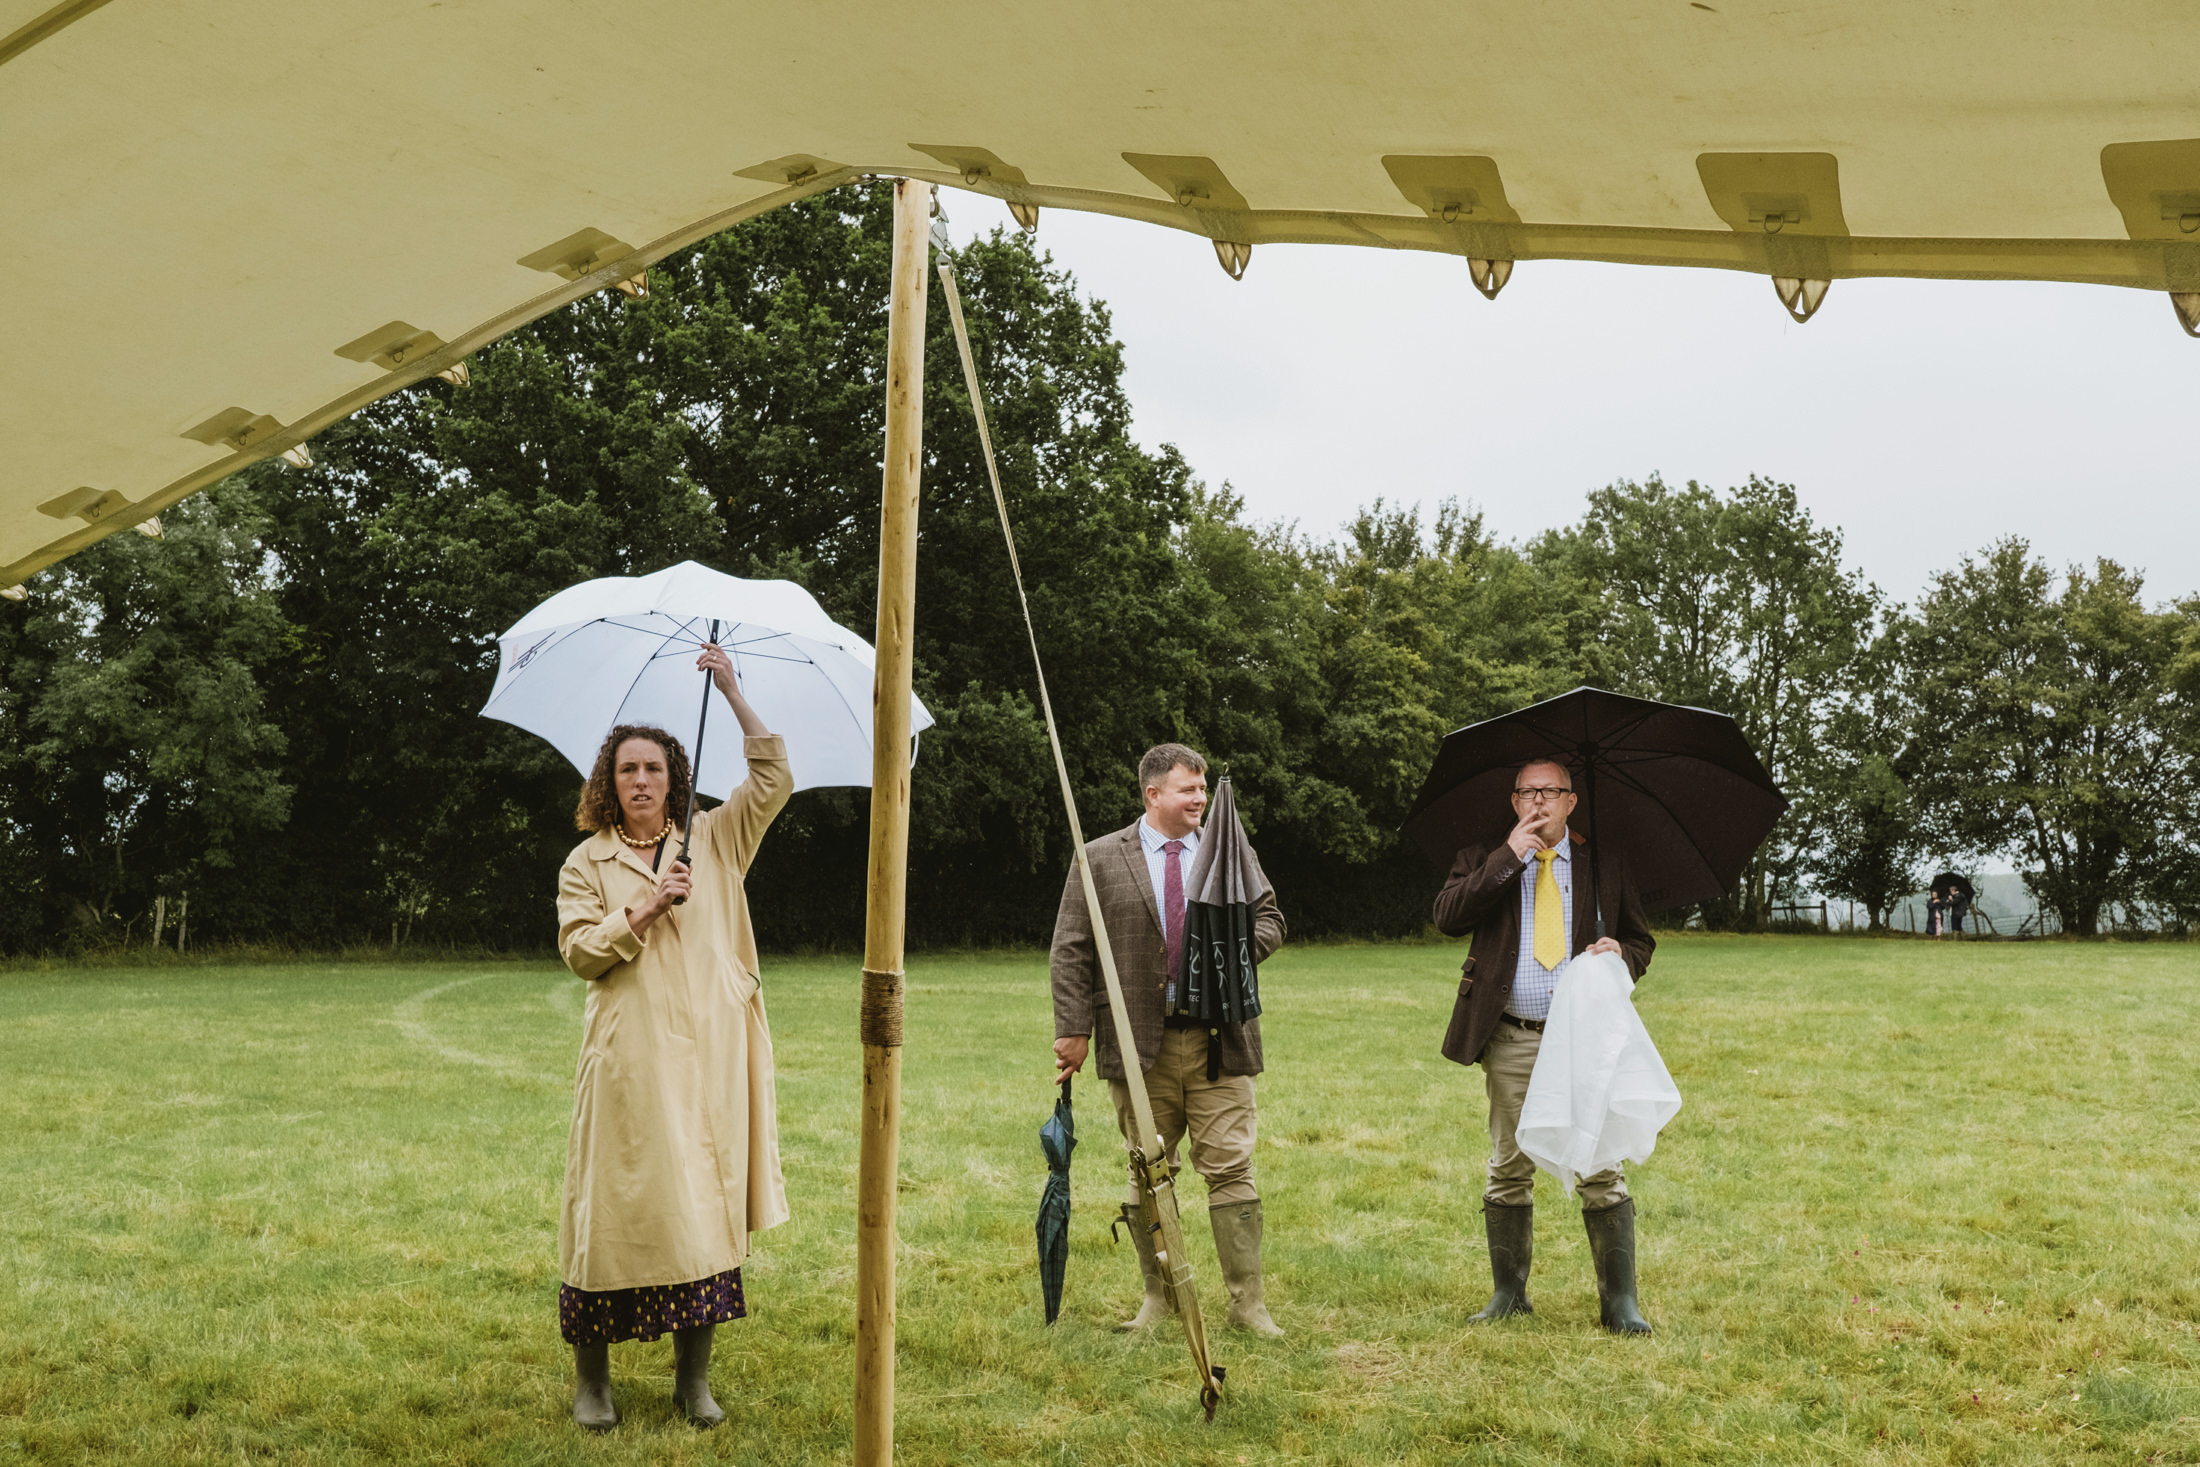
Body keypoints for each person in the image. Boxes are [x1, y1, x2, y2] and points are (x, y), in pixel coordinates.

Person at [553, 641, 790, 1431]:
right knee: (612, 1215)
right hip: (629, 1063)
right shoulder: (587, 860)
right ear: (608, 784)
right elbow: (581, 950)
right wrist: (649, 905)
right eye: (628, 770)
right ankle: (595, 1382)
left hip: (713, 1061)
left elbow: (772, 780)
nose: (643, 780)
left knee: (702, 1210)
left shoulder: (717, 838)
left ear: (674, 778)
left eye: (654, 768)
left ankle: (694, 1381)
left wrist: (731, 689)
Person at [1049, 744, 1288, 1336]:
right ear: (1153, 794)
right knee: (1148, 1171)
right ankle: (1160, 1301)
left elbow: (1271, 920)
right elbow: (1071, 949)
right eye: (1189, 790)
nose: (1200, 799)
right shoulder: (1099, 858)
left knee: (1232, 1169)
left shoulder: (1228, 850)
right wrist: (1073, 1031)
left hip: (1219, 1042)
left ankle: (1248, 1307)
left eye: (1203, 790)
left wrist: (1227, 961)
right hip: (1136, 1046)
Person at [1431, 757, 1658, 1334]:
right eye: (1528, 792)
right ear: (1514, 802)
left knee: (1602, 1165)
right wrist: (1510, 857)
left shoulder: (1604, 863)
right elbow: (1448, 917)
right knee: (1509, 1164)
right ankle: (1508, 1294)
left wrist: (1621, 956)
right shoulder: (1487, 856)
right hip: (1513, 1036)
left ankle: (1619, 1302)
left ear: (1570, 801)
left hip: (1583, 1041)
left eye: (1551, 791)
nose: (1539, 802)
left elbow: (1640, 940)